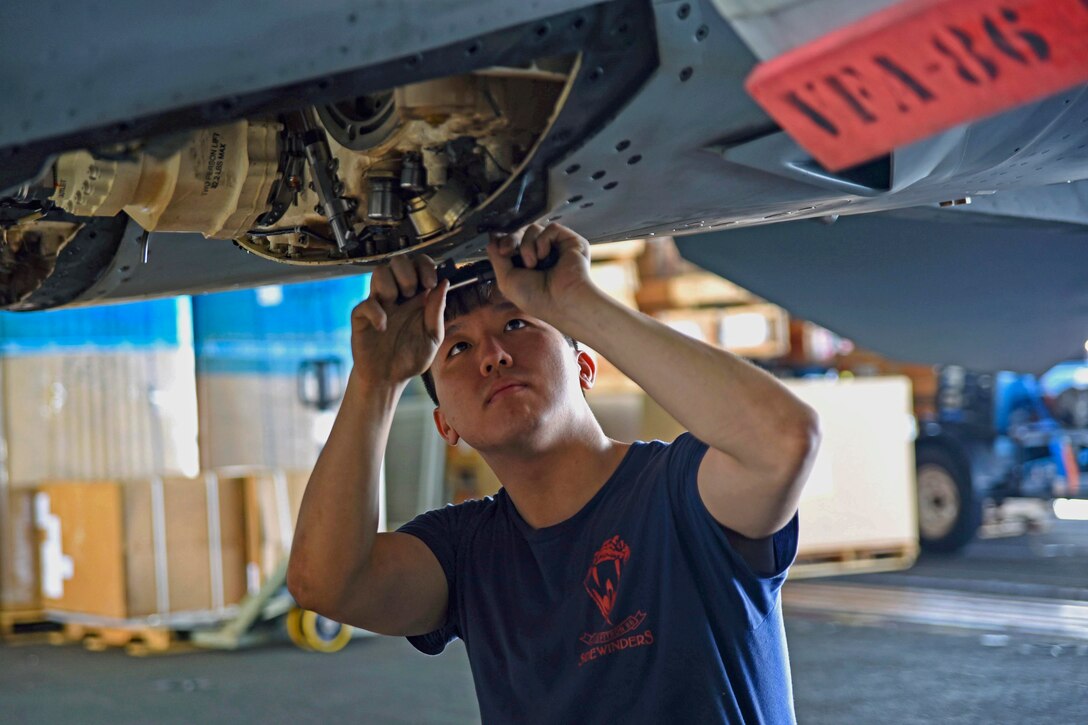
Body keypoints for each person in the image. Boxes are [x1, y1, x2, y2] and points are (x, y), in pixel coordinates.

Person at [287, 223, 820, 723]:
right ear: (445, 425)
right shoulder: (468, 553)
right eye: (459, 348)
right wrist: (375, 381)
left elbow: (783, 440)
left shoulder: (678, 493)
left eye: (516, 323)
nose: (493, 356)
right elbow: (326, 584)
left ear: (584, 367)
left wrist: (576, 301)